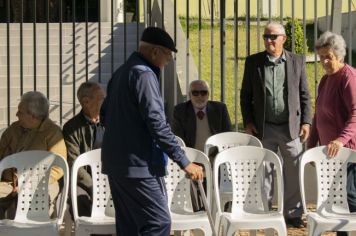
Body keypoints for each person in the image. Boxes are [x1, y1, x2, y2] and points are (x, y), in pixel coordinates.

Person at [100, 26, 204, 236]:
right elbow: (157, 124)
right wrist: (184, 161)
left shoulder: (121, 72)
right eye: (167, 55)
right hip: (139, 165)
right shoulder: (144, 75)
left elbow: (105, 115)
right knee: (159, 222)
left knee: (130, 226)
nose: (168, 62)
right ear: (155, 52)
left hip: (117, 164)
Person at [240, 21, 312, 228]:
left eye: (273, 37)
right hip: (264, 127)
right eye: (266, 37)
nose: (269, 40)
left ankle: (293, 213)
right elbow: (245, 96)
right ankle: (264, 211)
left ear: (284, 39)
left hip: (291, 127)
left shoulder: (297, 61)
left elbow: (305, 94)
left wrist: (306, 121)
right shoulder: (253, 62)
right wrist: (248, 121)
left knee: (294, 170)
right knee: (264, 171)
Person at [308, 31, 356, 236]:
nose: (325, 61)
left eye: (329, 56)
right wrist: (311, 146)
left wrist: (340, 140)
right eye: (321, 57)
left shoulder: (349, 78)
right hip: (330, 154)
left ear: (339, 55)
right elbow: (317, 116)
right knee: (337, 201)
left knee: (349, 197)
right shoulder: (325, 81)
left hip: (349, 151)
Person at [0, 91, 67, 219]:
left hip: (41, 183)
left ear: (32, 115)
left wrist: (28, 184)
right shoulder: (13, 130)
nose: (16, 114)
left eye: (20, 112)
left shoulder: (52, 133)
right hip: (9, 183)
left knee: (37, 203)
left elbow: (57, 168)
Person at [63, 81, 105, 217]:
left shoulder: (112, 122)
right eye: (101, 98)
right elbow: (74, 162)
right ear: (86, 102)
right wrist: (94, 186)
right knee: (80, 198)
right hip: (83, 182)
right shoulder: (71, 128)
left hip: (110, 178)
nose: (106, 101)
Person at [172, 79, 232, 152]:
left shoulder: (220, 109)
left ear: (208, 95)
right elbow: (178, 138)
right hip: (191, 156)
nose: (199, 96)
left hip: (216, 155)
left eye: (203, 93)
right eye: (195, 93)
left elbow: (228, 135)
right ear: (189, 95)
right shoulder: (180, 111)